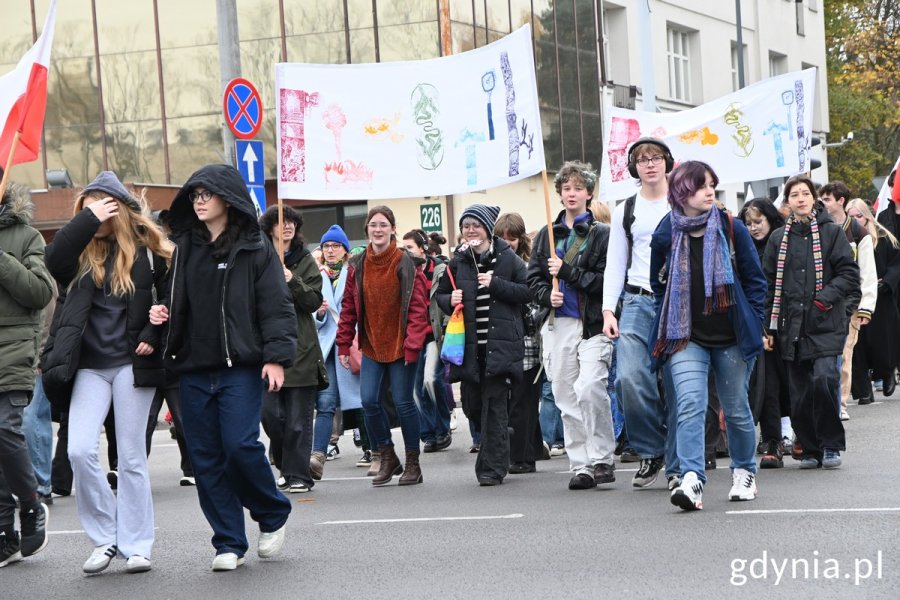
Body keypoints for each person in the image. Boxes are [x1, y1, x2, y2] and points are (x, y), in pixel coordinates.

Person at [149, 164, 297, 571]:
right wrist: (162, 314)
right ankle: (228, 541)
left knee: (239, 446)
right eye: (194, 195)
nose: (198, 201)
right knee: (206, 458)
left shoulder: (253, 246)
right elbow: (173, 296)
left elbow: (276, 306)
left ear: (226, 198)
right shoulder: (182, 248)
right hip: (192, 368)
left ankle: (271, 513)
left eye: (206, 194)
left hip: (241, 367)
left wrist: (276, 357)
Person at [42, 171, 171, 572]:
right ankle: (104, 539)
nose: (95, 218)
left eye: (103, 208)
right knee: (79, 449)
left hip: (133, 364)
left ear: (119, 211)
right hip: (89, 368)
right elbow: (53, 259)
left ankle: (136, 545)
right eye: (88, 210)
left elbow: (170, 299)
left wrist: (154, 327)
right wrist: (87, 218)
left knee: (130, 458)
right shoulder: (80, 256)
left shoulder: (149, 252)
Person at [648, 161, 767, 511]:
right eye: (701, 186)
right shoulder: (666, 232)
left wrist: (754, 321)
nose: (709, 191)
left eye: (712, 184)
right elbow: (659, 285)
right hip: (686, 338)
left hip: (731, 336)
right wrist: (669, 318)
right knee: (689, 405)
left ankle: (745, 472)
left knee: (736, 410)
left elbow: (756, 281)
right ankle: (692, 479)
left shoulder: (732, 227)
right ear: (682, 192)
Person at [528, 161, 616, 490]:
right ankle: (582, 464)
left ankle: (603, 457)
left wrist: (566, 272)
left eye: (578, 188)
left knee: (591, 388)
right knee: (565, 396)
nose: (571, 193)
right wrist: (543, 296)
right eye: (566, 188)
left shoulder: (602, 234)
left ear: (589, 193)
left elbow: (605, 281)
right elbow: (533, 278)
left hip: (592, 323)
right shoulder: (545, 237)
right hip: (558, 323)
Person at [763, 175, 860, 470]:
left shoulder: (831, 233)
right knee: (800, 391)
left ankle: (831, 444)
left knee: (824, 379)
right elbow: (768, 285)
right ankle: (810, 449)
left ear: (814, 198)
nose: (801, 199)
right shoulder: (778, 239)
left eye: (806, 193)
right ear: (788, 202)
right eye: (795, 195)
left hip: (825, 322)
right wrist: (768, 326)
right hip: (790, 326)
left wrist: (823, 300)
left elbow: (848, 273)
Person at [601, 138, 678, 488]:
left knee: (678, 383)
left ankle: (680, 460)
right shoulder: (625, 210)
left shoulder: (682, 201)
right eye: (642, 159)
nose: (650, 164)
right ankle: (651, 449)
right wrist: (608, 310)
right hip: (636, 300)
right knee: (627, 378)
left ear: (667, 162)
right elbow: (615, 264)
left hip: (677, 302)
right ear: (634, 168)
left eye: (656, 157)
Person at [435, 205, 531, 486]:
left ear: (488, 229)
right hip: (469, 349)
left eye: (476, 225)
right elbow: (441, 294)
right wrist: (448, 299)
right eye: (466, 226)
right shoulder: (458, 261)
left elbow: (527, 291)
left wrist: (496, 283)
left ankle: (491, 468)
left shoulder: (508, 259)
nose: (470, 230)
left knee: (493, 405)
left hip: (500, 346)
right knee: (473, 407)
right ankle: (501, 434)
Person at [335, 206, 429, 486]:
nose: (378, 229)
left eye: (383, 225)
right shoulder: (357, 264)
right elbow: (349, 307)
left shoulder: (405, 263)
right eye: (373, 225)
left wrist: (413, 345)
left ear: (392, 229)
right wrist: (342, 344)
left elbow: (417, 308)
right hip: (372, 346)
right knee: (368, 402)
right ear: (367, 229)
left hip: (402, 346)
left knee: (402, 403)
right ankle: (387, 455)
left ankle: (413, 462)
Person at [0, 174, 53, 568]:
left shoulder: (27, 236)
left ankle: (32, 504)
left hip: (13, 347)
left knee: (4, 428)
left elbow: (39, 290)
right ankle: (5, 534)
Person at [259, 205, 326, 494]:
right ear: (269, 227)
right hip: (266, 349)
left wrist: (292, 279)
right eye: (280, 222)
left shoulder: (305, 261)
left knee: (298, 420)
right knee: (271, 415)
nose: (287, 227)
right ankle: (285, 462)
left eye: (291, 223)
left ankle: (299, 474)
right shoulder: (258, 257)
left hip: (301, 349)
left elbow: (313, 301)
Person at [737, 199, 790, 468]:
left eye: (758, 222)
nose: (753, 228)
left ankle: (804, 434)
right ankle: (772, 439)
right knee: (766, 385)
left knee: (795, 383)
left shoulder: (784, 242)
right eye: (748, 223)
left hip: (790, 323)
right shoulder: (740, 248)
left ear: (770, 219)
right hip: (758, 325)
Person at [313, 225, 369, 475]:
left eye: (335, 246)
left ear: (345, 250)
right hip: (326, 348)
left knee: (359, 400)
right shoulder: (318, 275)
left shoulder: (354, 272)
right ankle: (318, 454)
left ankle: (372, 448)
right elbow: (310, 314)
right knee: (325, 402)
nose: (330, 250)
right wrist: (320, 312)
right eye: (326, 246)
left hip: (350, 343)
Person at [819, 181, 878, 414]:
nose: (822, 204)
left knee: (844, 354)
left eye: (827, 199)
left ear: (840, 201)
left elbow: (867, 271)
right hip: (824, 301)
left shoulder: (857, 231)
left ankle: (840, 402)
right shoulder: (820, 228)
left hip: (850, 304)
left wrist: (866, 307)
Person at [495, 212, 544, 474]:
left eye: (512, 238)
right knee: (515, 401)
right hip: (505, 343)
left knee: (523, 403)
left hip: (528, 343)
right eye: (502, 238)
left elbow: (535, 300)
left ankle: (523, 457)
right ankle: (533, 447)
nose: (507, 243)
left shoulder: (530, 264)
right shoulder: (494, 262)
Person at [402, 228, 452, 454]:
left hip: (434, 334)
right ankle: (428, 434)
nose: (406, 252)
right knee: (414, 390)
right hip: (412, 335)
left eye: (409, 247)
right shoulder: (403, 272)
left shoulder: (440, 269)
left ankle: (443, 429)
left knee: (431, 380)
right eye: (403, 249)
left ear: (422, 248)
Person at [846, 199, 900, 404]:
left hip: (882, 298)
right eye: (851, 217)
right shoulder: (844, 237)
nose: (855, 221)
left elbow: (896, 264)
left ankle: (886, 373)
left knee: (882, 343)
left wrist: (886, 282)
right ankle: (862, 389)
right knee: (857, 347)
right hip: (855, 298)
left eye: (858, 216)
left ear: (867, 216)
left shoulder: (884, 237)